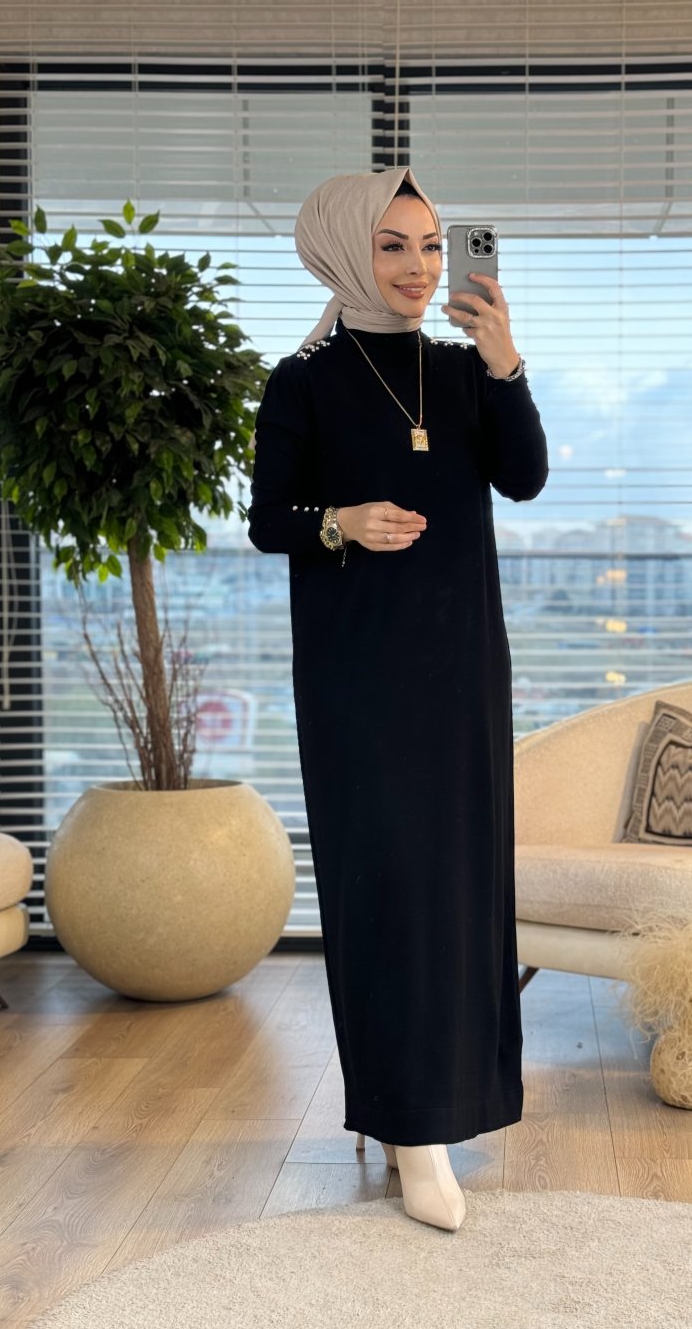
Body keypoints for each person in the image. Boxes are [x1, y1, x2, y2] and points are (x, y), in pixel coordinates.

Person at [247, 166, 548, 1232]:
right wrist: (343, 521)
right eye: (392, 246)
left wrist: (506, 360)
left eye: (430, 245)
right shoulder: (304, 381)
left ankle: (440, 1106)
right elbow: (267, 518)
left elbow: (524, 478)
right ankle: (411, 1127)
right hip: (360, 681)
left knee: (461, 891)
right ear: (343, 249)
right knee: (389, 890)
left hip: (463, 672)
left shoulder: (465, 372)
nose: (419, 268)